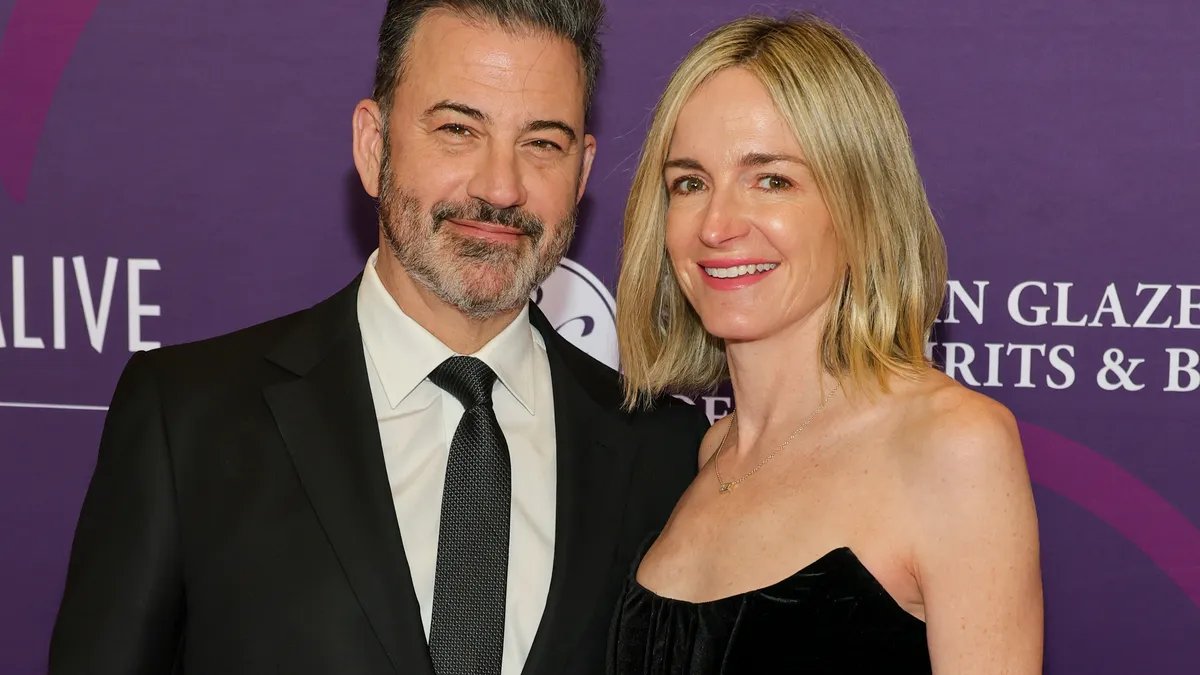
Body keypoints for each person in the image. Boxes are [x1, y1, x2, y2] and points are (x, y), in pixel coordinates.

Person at [48, 2, 706, 674]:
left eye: (542, 142)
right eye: (457, 129)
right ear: (373, 145)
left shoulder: (664, 455)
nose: (501, 186)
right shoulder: (189, 418)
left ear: (582, 172)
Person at [610, 14, 1043, 674]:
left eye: (772, 179)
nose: (718, 225)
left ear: (858, 202)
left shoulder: (954, 445)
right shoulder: (710, 453)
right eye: (689, 183)